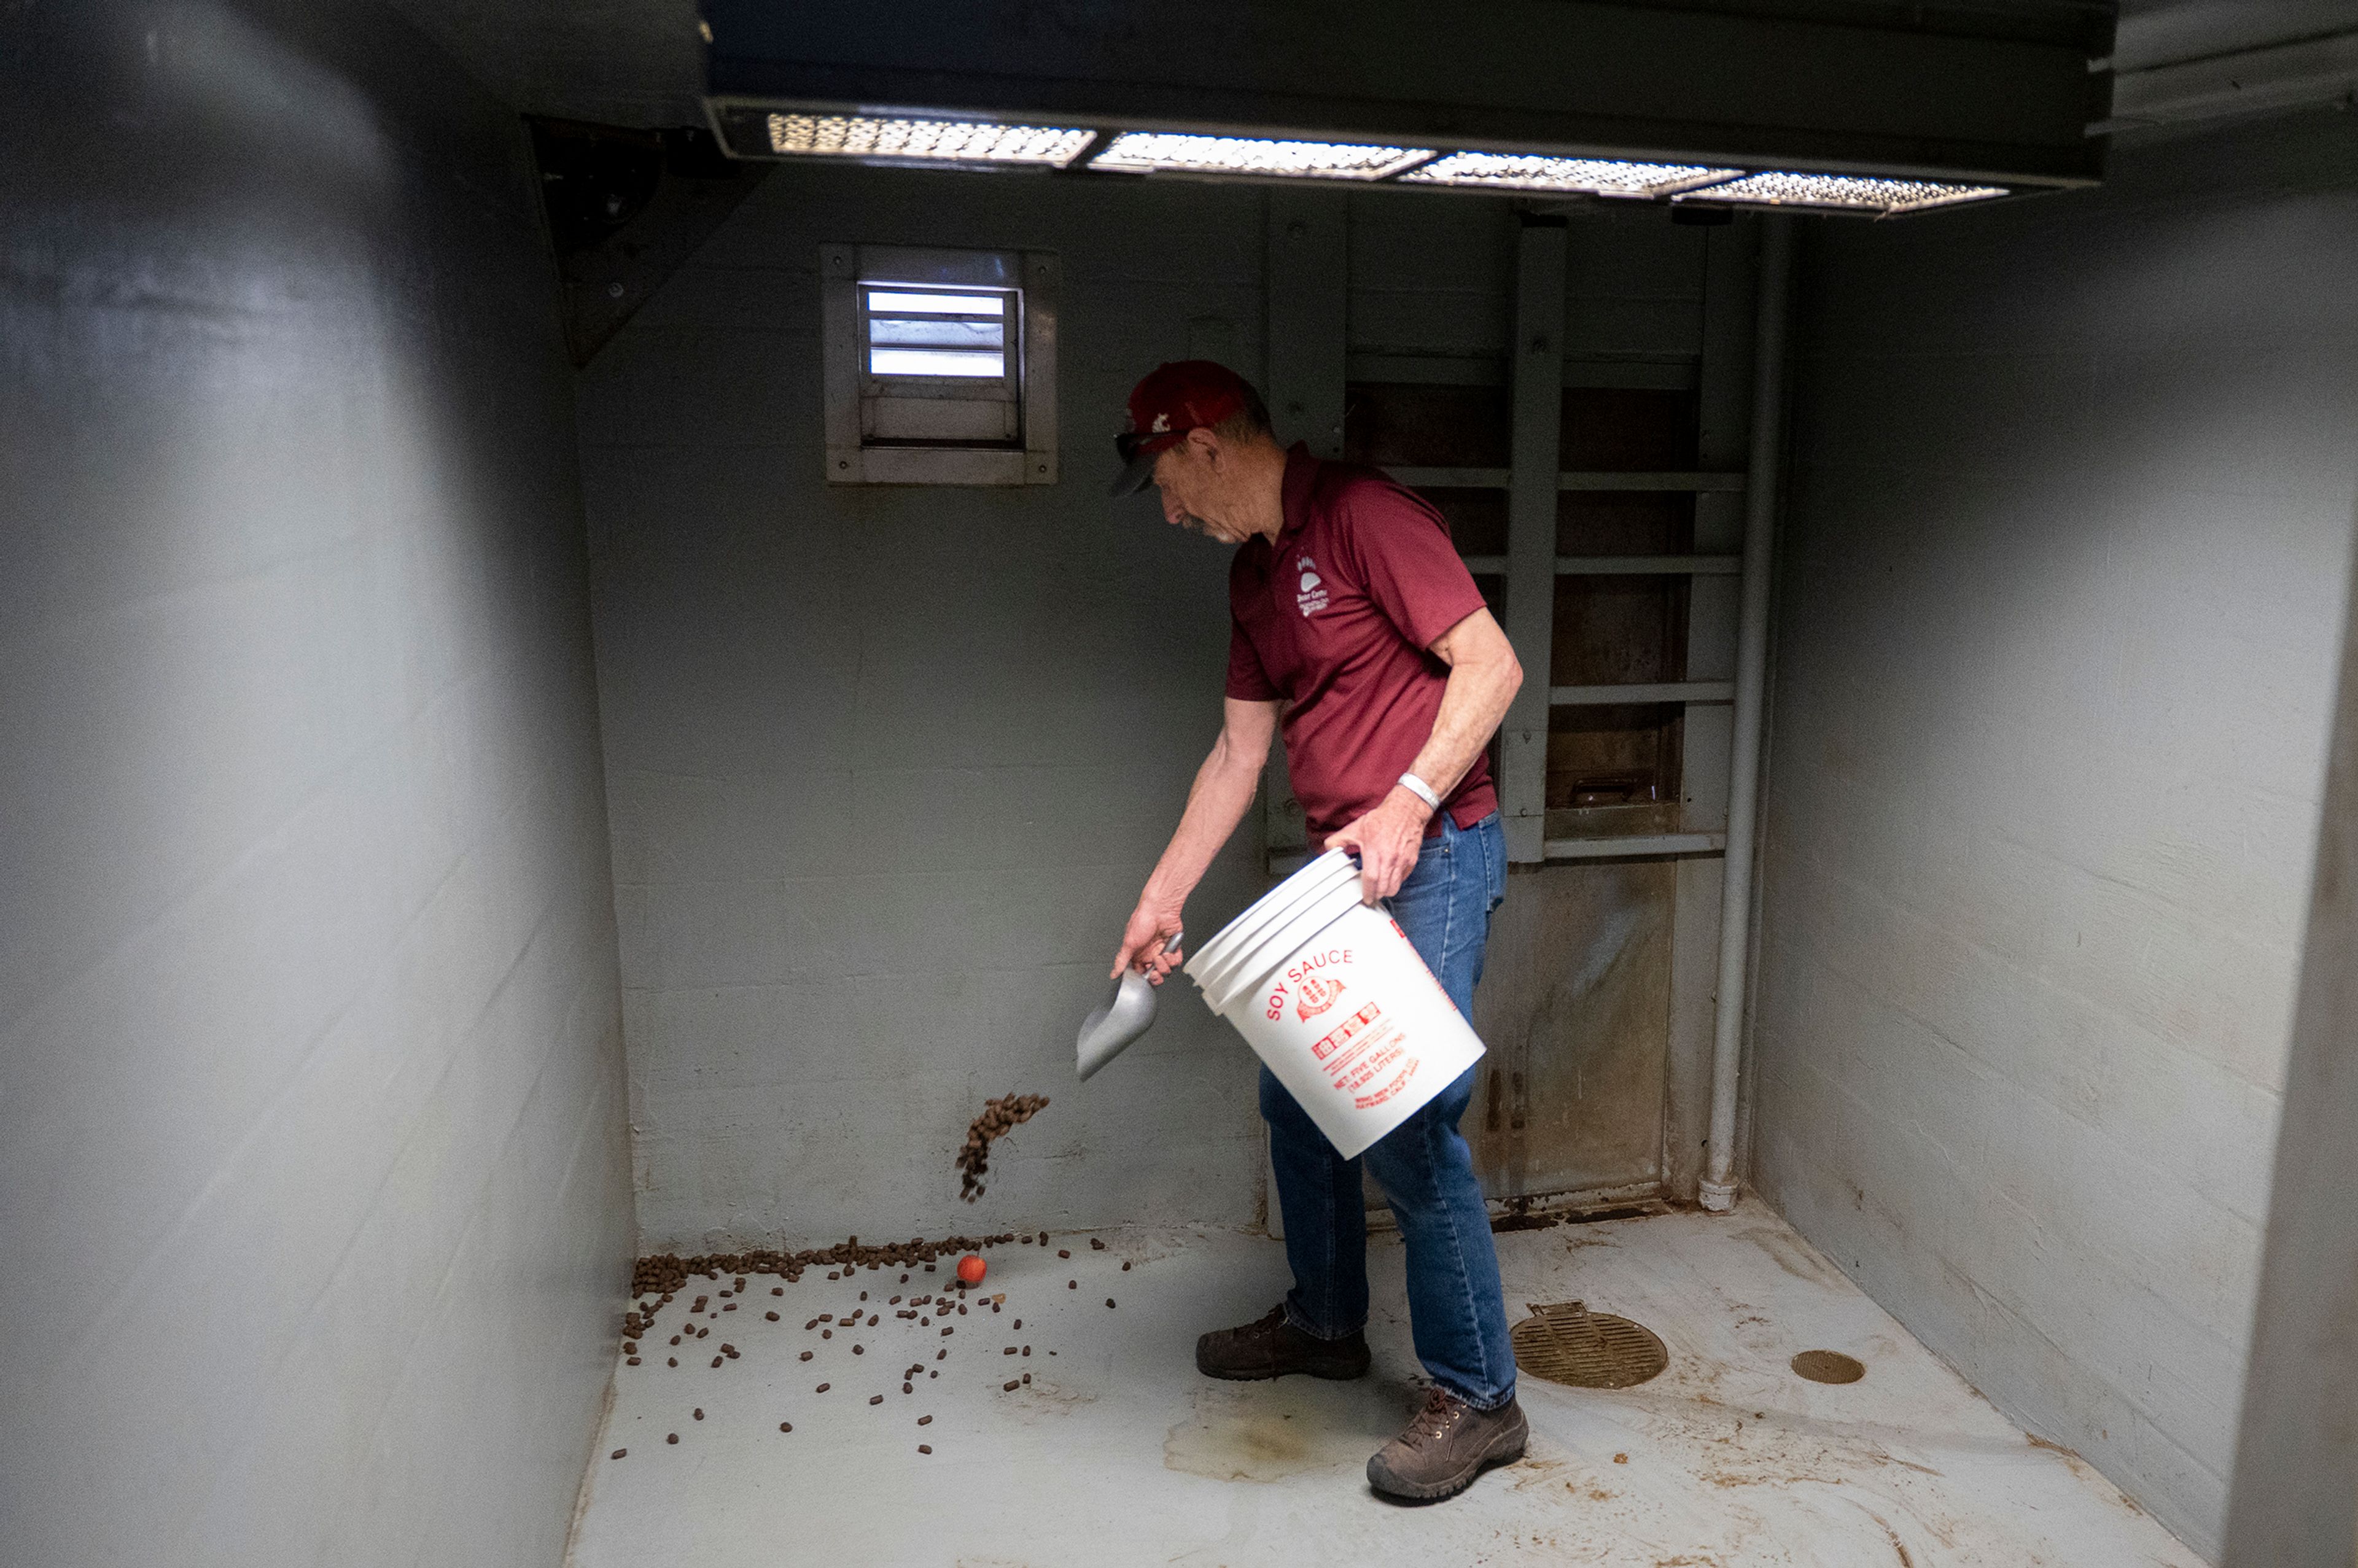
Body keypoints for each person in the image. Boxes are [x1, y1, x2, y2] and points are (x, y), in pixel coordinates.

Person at [1107, 360, 1528, 1502]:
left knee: (1405, 1110)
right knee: (1295, 1094)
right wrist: (1162, 894)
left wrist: (1409, 800)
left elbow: (1491, 666)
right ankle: (1328, 1321)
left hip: (1430, 848)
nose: (1170, 511)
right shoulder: (1255, 579)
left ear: (1203, 444)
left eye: (1165, 481)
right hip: (1346, 868)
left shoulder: (1365, 519)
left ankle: (1482, 1397)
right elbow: (1240, 755)